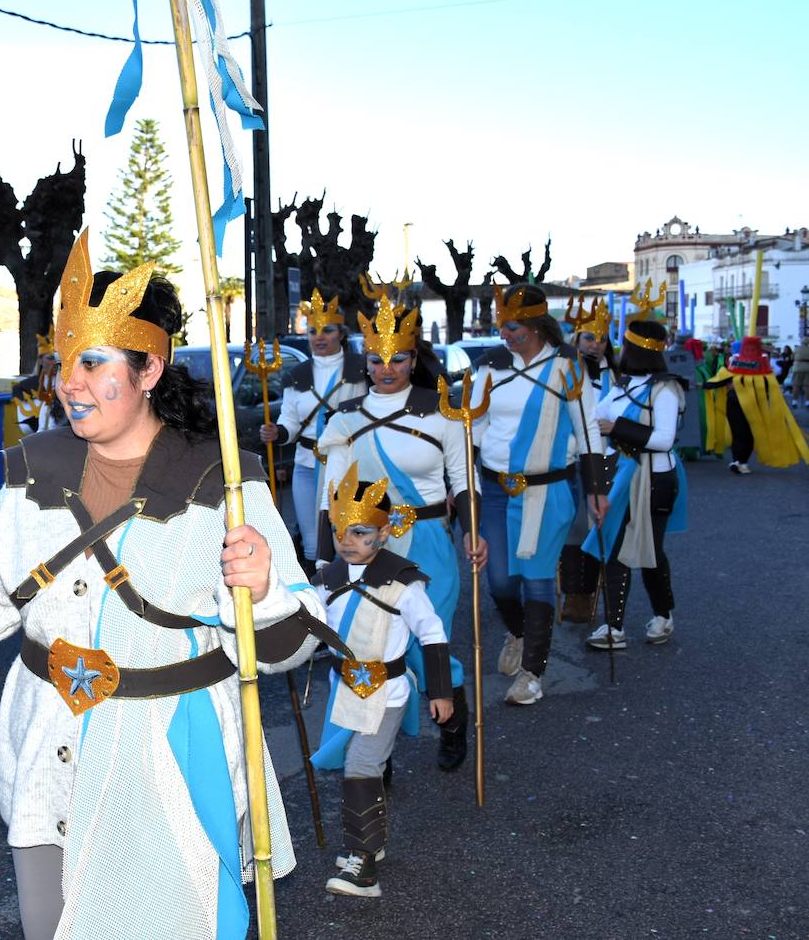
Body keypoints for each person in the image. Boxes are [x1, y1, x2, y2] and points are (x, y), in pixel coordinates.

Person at [0, 230, 326, 940]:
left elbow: (294, 638)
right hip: (52, 739)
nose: (68, 384)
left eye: (92, 363)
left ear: (151, 369)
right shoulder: (32, 468)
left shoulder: (223, 478)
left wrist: (265, 587)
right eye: (62, 363)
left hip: (170, 749)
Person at [316, 295, 486, 772]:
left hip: (431, 541)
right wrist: (328, 561)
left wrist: (472, 531)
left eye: (398, 358)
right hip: (370, 548)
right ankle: (375, 754)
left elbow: (464, 480)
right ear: (364, 361)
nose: (386, 368)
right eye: (376, 359)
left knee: (425, 638)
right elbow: (330, 499)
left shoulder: (445, 413)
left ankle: (452, 721)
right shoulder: (346, 419)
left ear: (415, 359)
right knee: (371, 644)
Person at [309, 464, 453, 899]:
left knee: (361, 767)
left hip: (387, 693)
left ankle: (364, 866)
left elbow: (432, 634)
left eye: (359, 532)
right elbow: (306, 626)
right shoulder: (324, 580)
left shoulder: (405, 584)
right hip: (344, 693)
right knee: (354, 766)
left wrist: (441, 692)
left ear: (385, 531)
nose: (347, 542)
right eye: (339, 532)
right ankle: (370, 843)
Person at [472, 284, 608, 706]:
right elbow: (474, 431)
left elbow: (587, 432)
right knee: (499, 582)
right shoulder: (490, 367)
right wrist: (466, 490)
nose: (506, 335)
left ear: (534, 326)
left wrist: (596, 489)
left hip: (547, 491)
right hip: (495, 489)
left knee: (537, 580)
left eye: (513, 327)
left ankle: (533, 672)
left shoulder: (568, 368)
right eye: (502, 327)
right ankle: (518, 632)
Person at [582, 320, 688, 649]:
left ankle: (663, 615)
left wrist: (616, 428)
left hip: (656, 479)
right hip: (622, 474)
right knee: (615, 548)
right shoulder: (623, 382)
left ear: (638, 350)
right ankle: (614, 628)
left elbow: (665, 439)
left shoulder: (666, 389)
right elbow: (596, 414)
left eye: (627, 346)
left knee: (650, 552)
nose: (621, 351)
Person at [259, 287, 367, 570]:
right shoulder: (298, 375)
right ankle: (318, 603)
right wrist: (278, 433)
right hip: (307, 465)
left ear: (341, 333)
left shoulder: (361, 368)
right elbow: (290, 421)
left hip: (351, 464)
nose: (319, 337)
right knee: (312, 543)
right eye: (312, 331)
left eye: (327, 330)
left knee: (351, 534)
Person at [558, 295, 615, 624]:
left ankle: (591, 594)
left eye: (602, 339)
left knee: (601, 530)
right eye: (589, 338)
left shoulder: (616, 377)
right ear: (576, 339)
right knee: (572, 529)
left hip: (609, 461)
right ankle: (573, 593)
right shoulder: (563, 373)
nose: (595, 345)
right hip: (571, 462)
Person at [705, 335, 809, 473]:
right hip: (746, 404)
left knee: (742, 433)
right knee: (744, 433)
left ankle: (740, 461)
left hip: (740, 403)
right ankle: (740, 462)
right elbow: (770, 385)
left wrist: (705, 384)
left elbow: (718, 381)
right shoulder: (760, 365)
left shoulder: (738, 363)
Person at [11, 329, 64, 438]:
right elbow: (17, 389)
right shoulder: (31, 383)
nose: (54, 362)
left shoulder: (69, 383)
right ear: (40, 360)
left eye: (57, 358)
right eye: (50, 358)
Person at [790, 338, 809, 409]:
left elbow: (791, 357)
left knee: (796, 385)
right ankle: (808, 402)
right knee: (807, 386)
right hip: (808, 369)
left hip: (798, 368)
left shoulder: (797, 349)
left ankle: (794, 401)